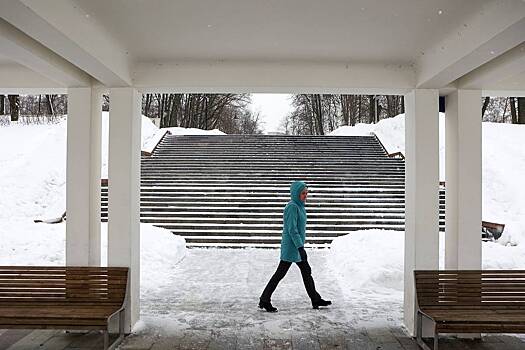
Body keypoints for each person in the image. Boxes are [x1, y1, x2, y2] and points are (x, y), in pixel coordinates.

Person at [258, 180, 332, 312]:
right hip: (291, 247)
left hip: (296, 247)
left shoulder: (300, 206)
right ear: (296, 194)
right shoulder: (292, 207)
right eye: (303, 193)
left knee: (306, 272)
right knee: (280, 274)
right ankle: (264, 299)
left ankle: (315, 299)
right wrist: (300, 247)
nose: (305, 196)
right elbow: (292, 229)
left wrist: (300, 247)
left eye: (306, 193)